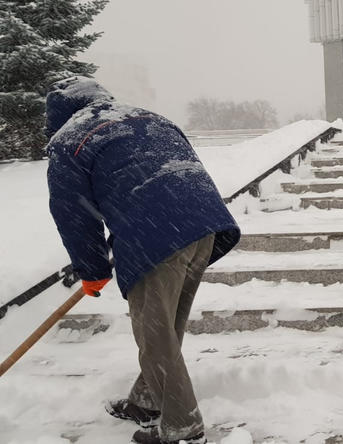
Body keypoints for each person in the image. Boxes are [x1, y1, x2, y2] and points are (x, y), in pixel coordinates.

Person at [44, 75, 241, 444]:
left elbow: (73, 215)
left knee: (155, 335)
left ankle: (183, 428)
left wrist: (92, 269)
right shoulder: (147, 117)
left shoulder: (70, 139)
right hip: (204, 225)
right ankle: (146, 401)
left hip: (155, 235)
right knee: (165, 327)